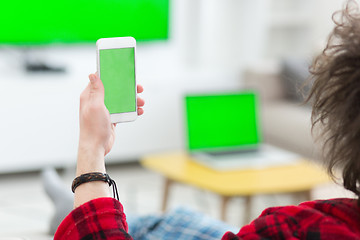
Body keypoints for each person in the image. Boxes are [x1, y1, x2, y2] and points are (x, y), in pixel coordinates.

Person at [55, 1, 360, 239]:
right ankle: (103, 214)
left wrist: (90, 152)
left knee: (177, 222)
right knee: (171, 221)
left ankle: (66, 212)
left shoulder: (302, 228)